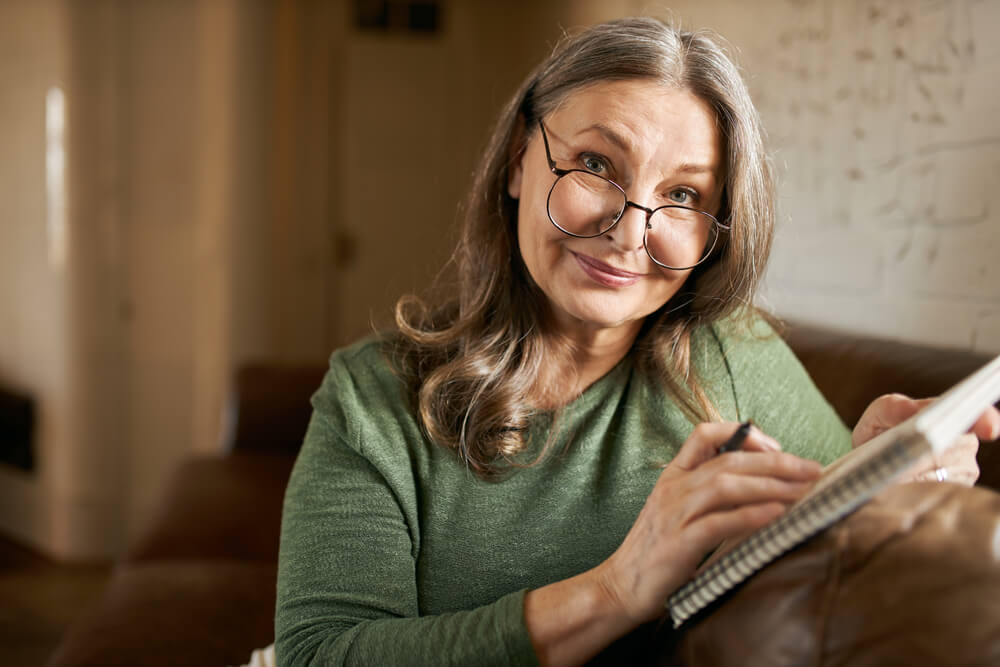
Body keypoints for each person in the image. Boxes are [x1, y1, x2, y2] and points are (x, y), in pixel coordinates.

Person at [274, 16, 999, 667]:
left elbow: (825, 561)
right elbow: (319, 654)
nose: (630, 232)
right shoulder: (371, 399)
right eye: (596, 164)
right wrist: (615, 588)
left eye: (683, 196)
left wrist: (874, 479)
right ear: (519, 160)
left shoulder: (732, 353)